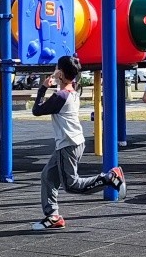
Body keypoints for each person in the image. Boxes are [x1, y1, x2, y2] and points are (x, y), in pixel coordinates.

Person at [31, 55, 126, 230]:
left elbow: (36, 110)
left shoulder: (60, 97)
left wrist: (43, 88)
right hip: (73, 143)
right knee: (48, 177)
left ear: (60, 73)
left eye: (56, 68)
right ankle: (53, 217)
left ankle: (109, 178)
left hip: (68, 145)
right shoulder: (72, 93)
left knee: (72, 185)